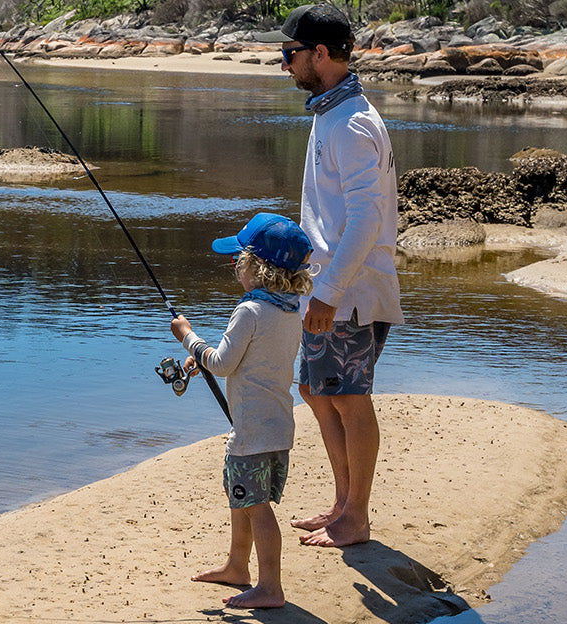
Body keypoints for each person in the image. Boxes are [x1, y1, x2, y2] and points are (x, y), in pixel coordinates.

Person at [255, 4, 405, 549]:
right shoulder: (331, 113)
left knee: (347, 398)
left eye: (289, 54)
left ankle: (357, 517)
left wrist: (330, 290)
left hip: (351, 290)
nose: (284, 64)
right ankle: (343, 504)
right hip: (326, 287)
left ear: (320, 53)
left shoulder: (352, 122)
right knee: (317, 392)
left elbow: (367, 217)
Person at [170, 212, 314, 610]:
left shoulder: (249, 310)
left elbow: (222, 363)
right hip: (277, 426)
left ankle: (271, 586)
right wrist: (207, 358)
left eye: (240, 259)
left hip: (251, 431)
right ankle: (237, 566)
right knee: (244, 498)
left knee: (256, 506)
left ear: (256, 266)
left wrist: (188, 339)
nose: (236, 265)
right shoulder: (289, 310)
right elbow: (252, 359)